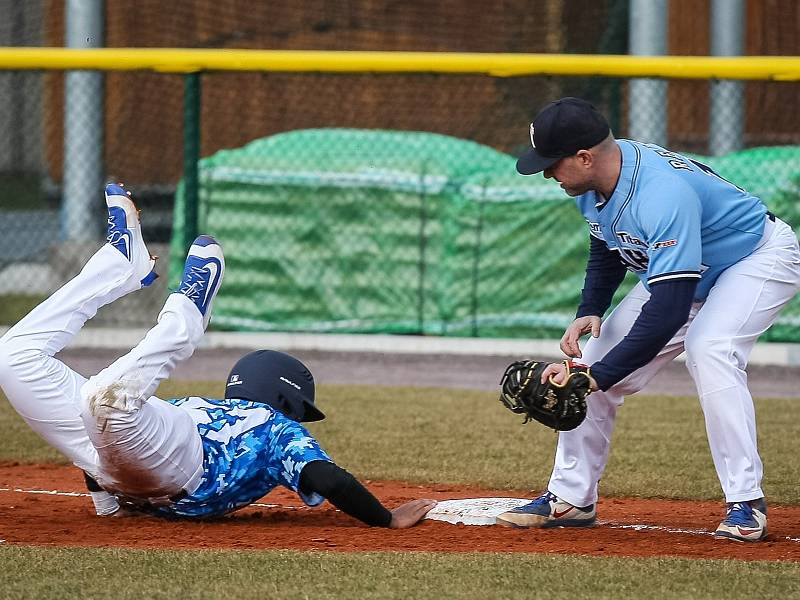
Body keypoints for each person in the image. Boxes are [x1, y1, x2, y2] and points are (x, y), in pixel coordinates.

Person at [0, 183, 436, 526]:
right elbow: (326, 477)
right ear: (287, 401)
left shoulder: (245, 424)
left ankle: (172, 300)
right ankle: (119, 266)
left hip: (174, 469)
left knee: (105, 400)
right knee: (12, 356)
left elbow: (113, 432)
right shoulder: (273, 427)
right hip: (137, 462)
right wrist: (385, 519)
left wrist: (107, 496)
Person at [496, 97, 800, 542]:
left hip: (754, 257)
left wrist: (602, 376)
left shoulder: (660, 193)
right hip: (690, 272)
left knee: (710, 349)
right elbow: (607, 240)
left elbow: (670, 307)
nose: (546, 173)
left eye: (551, 163)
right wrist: (591, 310)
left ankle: (745, 502)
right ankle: (572, 497)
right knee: (590, 361)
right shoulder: (596, 180)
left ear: (584, 157)